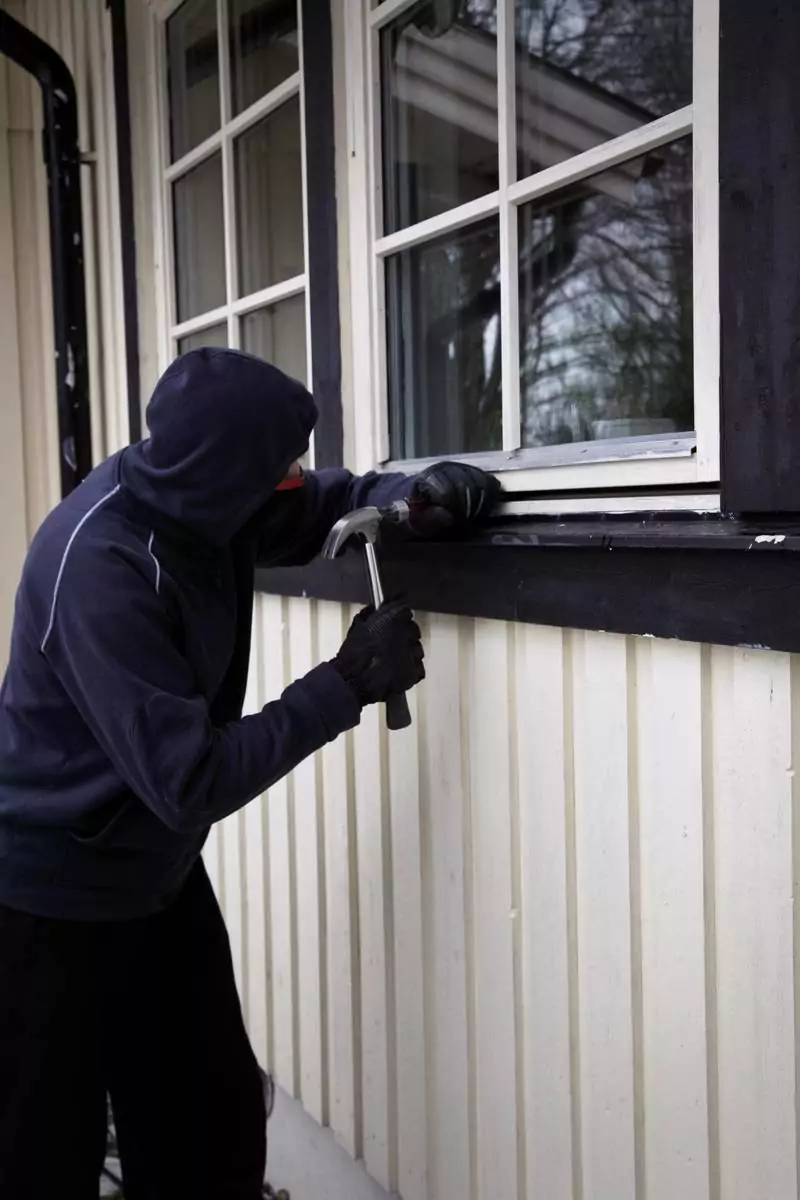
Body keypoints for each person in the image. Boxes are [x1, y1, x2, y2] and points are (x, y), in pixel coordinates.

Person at [0, 348, 500, 1200]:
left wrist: (410, 500)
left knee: (210, 1132)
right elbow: (189, 779)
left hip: (152, 877)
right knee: (43, 1157)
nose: (295, 475)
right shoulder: (101, 567)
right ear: (226, 472)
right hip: (48, 897)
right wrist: (346, 683)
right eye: (280, 463)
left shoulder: (210, 503)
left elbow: (323, 502)